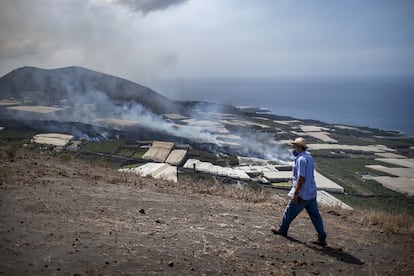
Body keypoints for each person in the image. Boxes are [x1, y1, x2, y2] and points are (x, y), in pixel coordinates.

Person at [271, 137, 327, 246]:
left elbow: (301, 177)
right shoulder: (309, 157)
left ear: (299, 147)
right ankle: (322, 238)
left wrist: (296, 193)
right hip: (311, 193)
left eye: (294, 146)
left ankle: (282, 230)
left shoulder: (301, 159)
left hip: (302, 193)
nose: (293, 148)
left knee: (289, 211)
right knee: (315, 216)